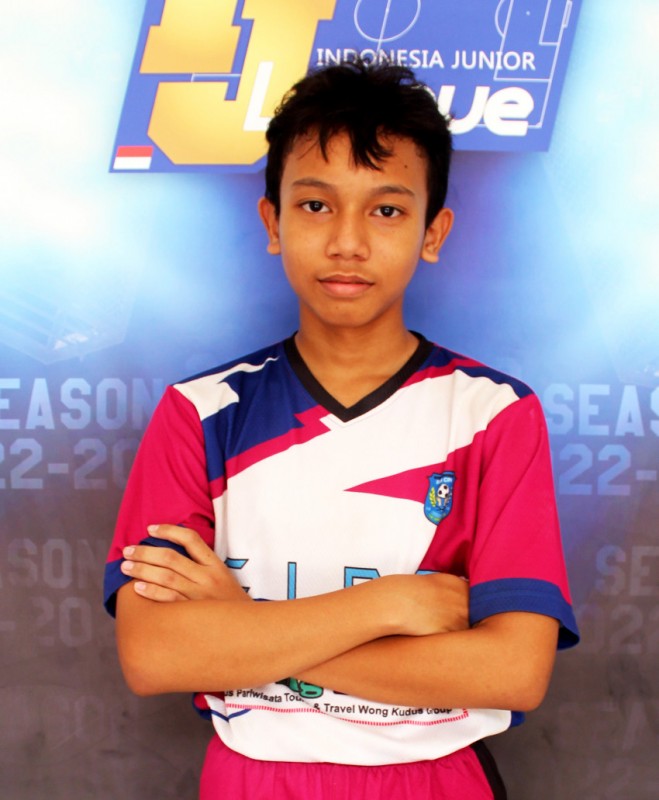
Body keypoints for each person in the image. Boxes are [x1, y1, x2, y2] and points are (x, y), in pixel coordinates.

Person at [104, 59, 579, 799]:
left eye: (386, 210)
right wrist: (386, 606)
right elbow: (155, 654)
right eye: (316, 205)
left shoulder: (491, 413)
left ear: (432, 231)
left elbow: (511, 671)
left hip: (431, 780)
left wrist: (243, 630)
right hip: (252, 779)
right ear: (273, 222)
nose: (347, 242)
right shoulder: (199, 412)